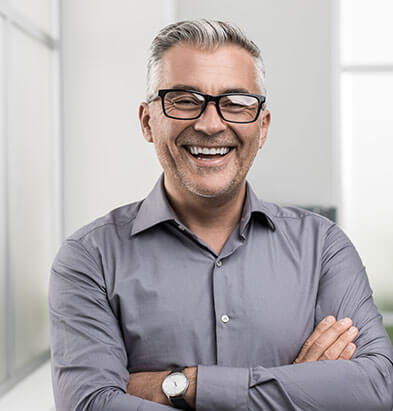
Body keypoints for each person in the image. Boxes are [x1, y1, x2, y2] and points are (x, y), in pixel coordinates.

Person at [49, 19, 393, 411]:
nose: (210, 124)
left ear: (262, 127)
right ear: (148, 121)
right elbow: (91, 405)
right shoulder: (88, 258)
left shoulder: (323, 247)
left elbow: (377, 387)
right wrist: (297, 391)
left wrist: (184, 385)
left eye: (236, 103)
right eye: (183, 99)